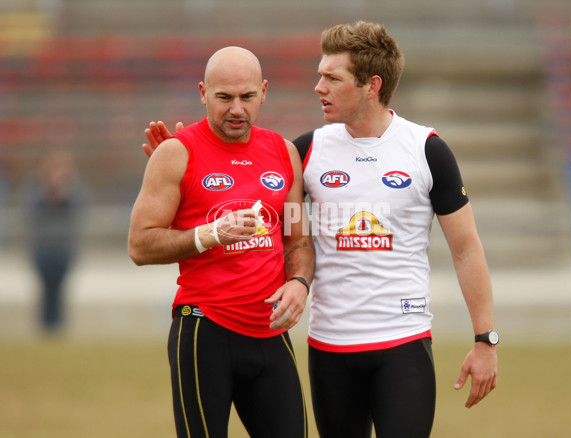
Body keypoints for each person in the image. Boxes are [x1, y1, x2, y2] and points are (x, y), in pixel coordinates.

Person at [142, 22, 498, 438]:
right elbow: (261, 193)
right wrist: (190, 156)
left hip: (403, 342)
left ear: (371, 85)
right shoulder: (308, 149)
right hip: (329, 348)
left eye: (331, 77)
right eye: (319, 75)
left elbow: (466, 249)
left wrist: (485, 339)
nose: (318, 87)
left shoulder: (426, 150)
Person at [128, 46, 314, 438]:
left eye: (247, 97)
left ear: (264, 91)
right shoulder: (175, 154)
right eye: (224, 97)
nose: (237, 109)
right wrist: (210, 234)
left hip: (270, 333)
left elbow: (297, 235)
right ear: (202, 93)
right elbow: (140, 245)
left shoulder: (285, 154)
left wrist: (299, 282)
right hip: (204, 332)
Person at [22, 149, 86, 333]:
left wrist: (61, 193)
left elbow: (79, 208)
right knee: (45, 289)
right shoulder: (36, 190)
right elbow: (30, 212)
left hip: (63, 250)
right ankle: (45, 326)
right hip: (42, 251)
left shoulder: (73, 191)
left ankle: (57, 326)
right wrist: (49, 193)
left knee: (59, 289)